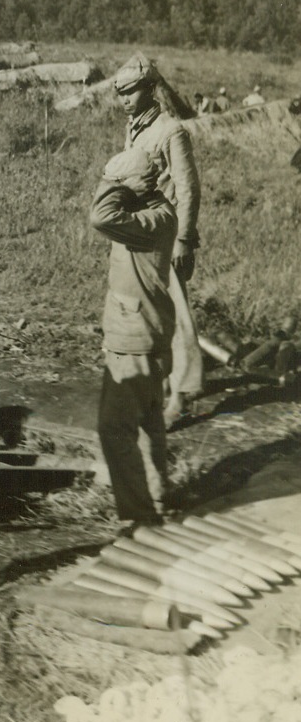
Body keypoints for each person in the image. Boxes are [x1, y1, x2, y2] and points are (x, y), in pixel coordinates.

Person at [89, 148, 177, 534]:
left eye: (123, 185)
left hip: (136, 340)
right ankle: (157, 500)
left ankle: (141, 515)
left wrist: (114, 184)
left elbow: (100, 216)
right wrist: (126, 184)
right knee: (147, 425)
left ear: (138, 186)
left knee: (114, 429)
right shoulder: (153, 211)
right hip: (143, 333)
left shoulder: (151, 218)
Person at [113, 53, 202, 428]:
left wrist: (183, 238)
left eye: (132, 91)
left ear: (150, 89)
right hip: (137, 230)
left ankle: (181, 393)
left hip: (165, 234)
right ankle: (157, 380)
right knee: (146, 309)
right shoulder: (134, 128)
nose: (125, 99)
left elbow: (188, 186)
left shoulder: (171, 130)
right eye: (121, 93)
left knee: (177, 309)